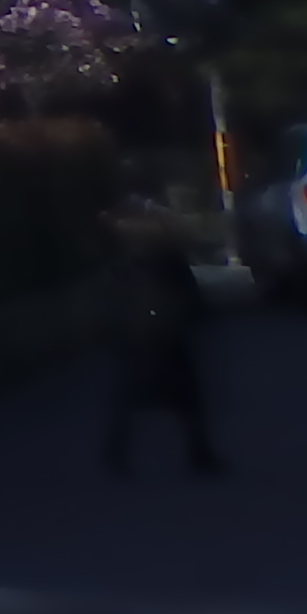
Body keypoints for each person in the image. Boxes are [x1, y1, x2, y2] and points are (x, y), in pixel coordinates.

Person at [103, 200, 224, 477]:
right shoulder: (165, 260)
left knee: (136, 394)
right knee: (182, 396)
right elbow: (190, 297)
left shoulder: (131, 261)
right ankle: (198, 453)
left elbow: (118, 298)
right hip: (162, 334)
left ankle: (118, 453)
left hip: (144, 334)